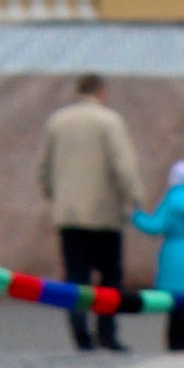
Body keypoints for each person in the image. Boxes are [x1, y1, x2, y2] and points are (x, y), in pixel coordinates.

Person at [41, 74, 145, 353]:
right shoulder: (110, 121)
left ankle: (80, 335)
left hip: (69, 215)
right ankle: (107, 333)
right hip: (104, 214)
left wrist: (56, 196)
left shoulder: (57, 121)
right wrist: (135, 198)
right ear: (101, 91)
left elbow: (45, 168)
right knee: (110, 277)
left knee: (76, 277)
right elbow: (123, 165)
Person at [133, 159, 184, 352]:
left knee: (173, 303)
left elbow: (155, 226)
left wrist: (135, 215)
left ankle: (174, 342)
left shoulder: (170, 200)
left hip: (172, 253)